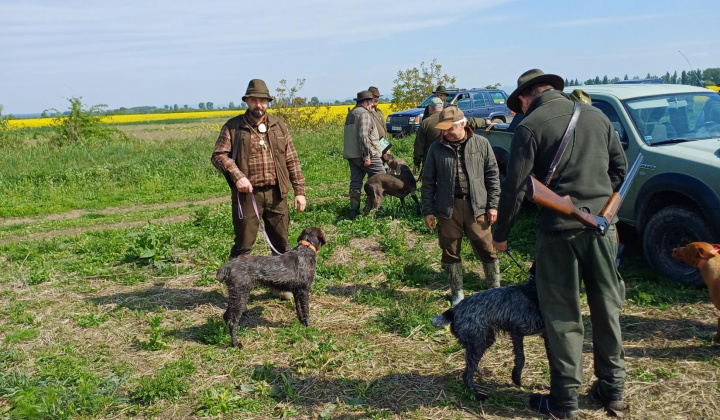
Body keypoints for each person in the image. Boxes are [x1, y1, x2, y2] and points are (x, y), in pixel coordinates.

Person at [492, 69, 628, 419]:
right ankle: (612, 390)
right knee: (607, 309)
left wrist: (501, 234)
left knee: (563, 316)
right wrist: (597, 211)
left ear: (525, 97)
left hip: (558, 235)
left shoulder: (529, 126)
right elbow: (619, 172)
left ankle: (565, 401)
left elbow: (515, 187)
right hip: (602, 229)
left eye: (519, 105)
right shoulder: (598, 116)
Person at [211, 79, 307, 299]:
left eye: (262, 100)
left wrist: (299, 191)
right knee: (244, 246)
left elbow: (292, 159)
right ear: (247, 101)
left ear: (268, 102)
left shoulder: (279, 125)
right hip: (248, 196)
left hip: (277, 194)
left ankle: (279, 286)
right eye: (254, 100)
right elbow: (218, 156)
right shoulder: (233, 127)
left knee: (281, 244)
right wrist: (238, 177)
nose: (259, 105)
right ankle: (234, 288)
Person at [422, 106, 501, 306]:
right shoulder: (435, 148)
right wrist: (428, 210)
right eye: (443, 128)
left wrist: (493, 206)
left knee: (487, 248)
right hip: (448, 209)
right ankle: (457, 292)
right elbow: (429, 181)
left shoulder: (481, 144)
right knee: (449, 250)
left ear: (463, 124)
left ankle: (495, 289)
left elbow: (493, 176)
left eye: (450, 128)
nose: (445, 132)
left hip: (478, 207)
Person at [343, 90, 386, 219]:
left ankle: (354, 212)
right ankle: (372, 210)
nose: (372, 104)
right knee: (382, 177)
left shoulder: (351, 114)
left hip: (352, 155)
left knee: (356, 182)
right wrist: (367, 156)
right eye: (371, 101)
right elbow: (363, 136)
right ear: (366, 102)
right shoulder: (364, 114)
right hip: (366, 155)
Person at [413, 97, 444, 175]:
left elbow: (419, 145)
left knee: (429, 184)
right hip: (448, 159)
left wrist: (417, 162)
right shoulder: (448, 120)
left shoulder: (425, 123)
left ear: (430, 108)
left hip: (430, 159)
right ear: (442, 107)